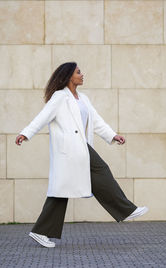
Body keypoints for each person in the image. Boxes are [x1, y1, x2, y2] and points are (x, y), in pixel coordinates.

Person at [15, 62, 148, 248]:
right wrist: (26, 133)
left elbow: (97, 121)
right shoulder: (60, 97)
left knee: (61, 192)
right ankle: (126, 210)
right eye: (78, 72)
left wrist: (112, 135)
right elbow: (43, 117)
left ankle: (40, 231)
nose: (82, 74)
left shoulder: (83, 98)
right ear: (69, 76)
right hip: (68, 151)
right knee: (92, 175)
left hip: (81, 149)